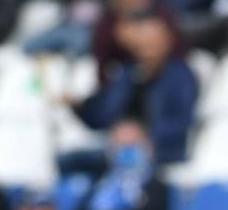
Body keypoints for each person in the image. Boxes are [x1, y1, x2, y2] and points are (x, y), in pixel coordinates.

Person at [72, 10, 200, 167]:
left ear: (167, 41)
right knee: (70, 160)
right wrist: (79, 107)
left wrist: (142, 134)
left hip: (157, 148)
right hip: (115, 142)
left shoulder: (180, 76)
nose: (146, 45)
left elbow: (182, 121)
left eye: (153, 40)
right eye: (142, 40)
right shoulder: (126, 74)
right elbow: (102, 115)